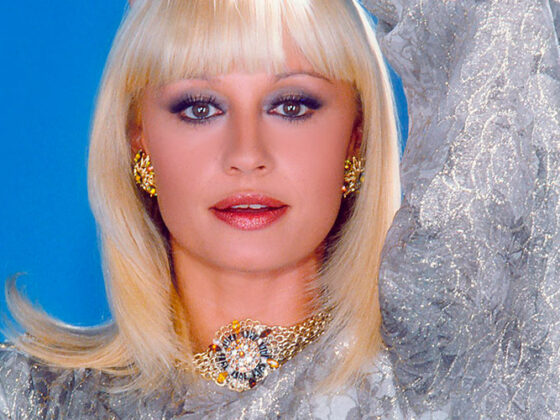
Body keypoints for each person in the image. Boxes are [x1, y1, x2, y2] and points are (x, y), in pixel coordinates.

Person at [2, 0, 559, 418]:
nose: (247, 155)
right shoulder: (31, 397)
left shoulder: (446, 371)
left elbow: (502, 26)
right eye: (200, 109)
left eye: (292, 106)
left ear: (355, 140)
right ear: (138, 142)